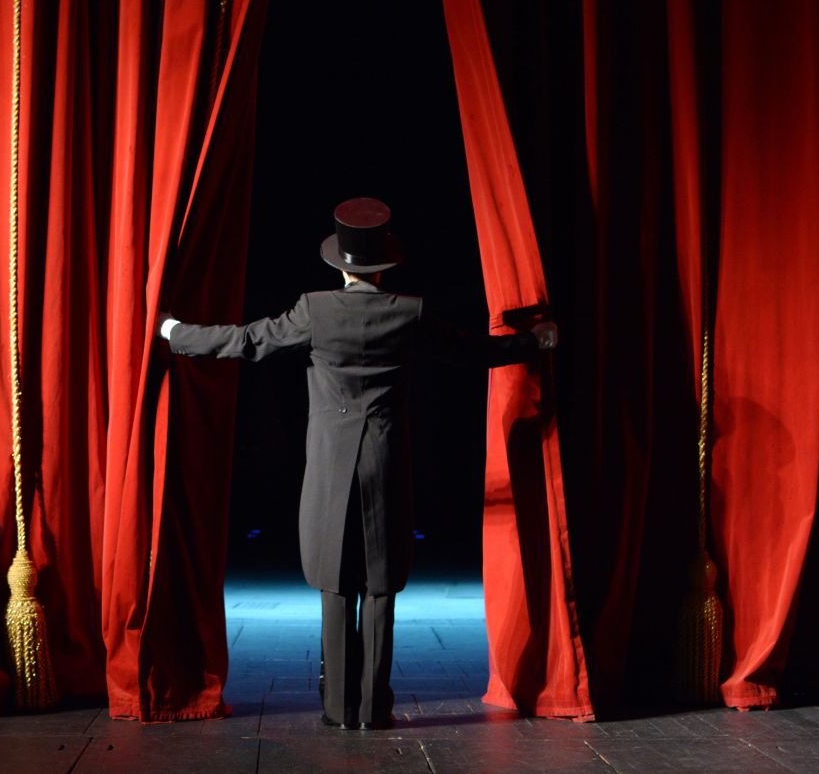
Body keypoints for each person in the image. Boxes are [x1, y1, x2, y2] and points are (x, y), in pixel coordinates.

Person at [159, 197, 557, 731]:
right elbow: (471, 351)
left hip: (330, 467)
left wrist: (172, 333)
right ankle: (373, 708)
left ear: (341, 265)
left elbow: (248, 342)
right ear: (384, 264)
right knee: (380, 582)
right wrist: (533, 341)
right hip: (385, 462)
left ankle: (337, 707)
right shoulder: (407, 312)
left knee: (335, 582)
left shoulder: (316, 310)